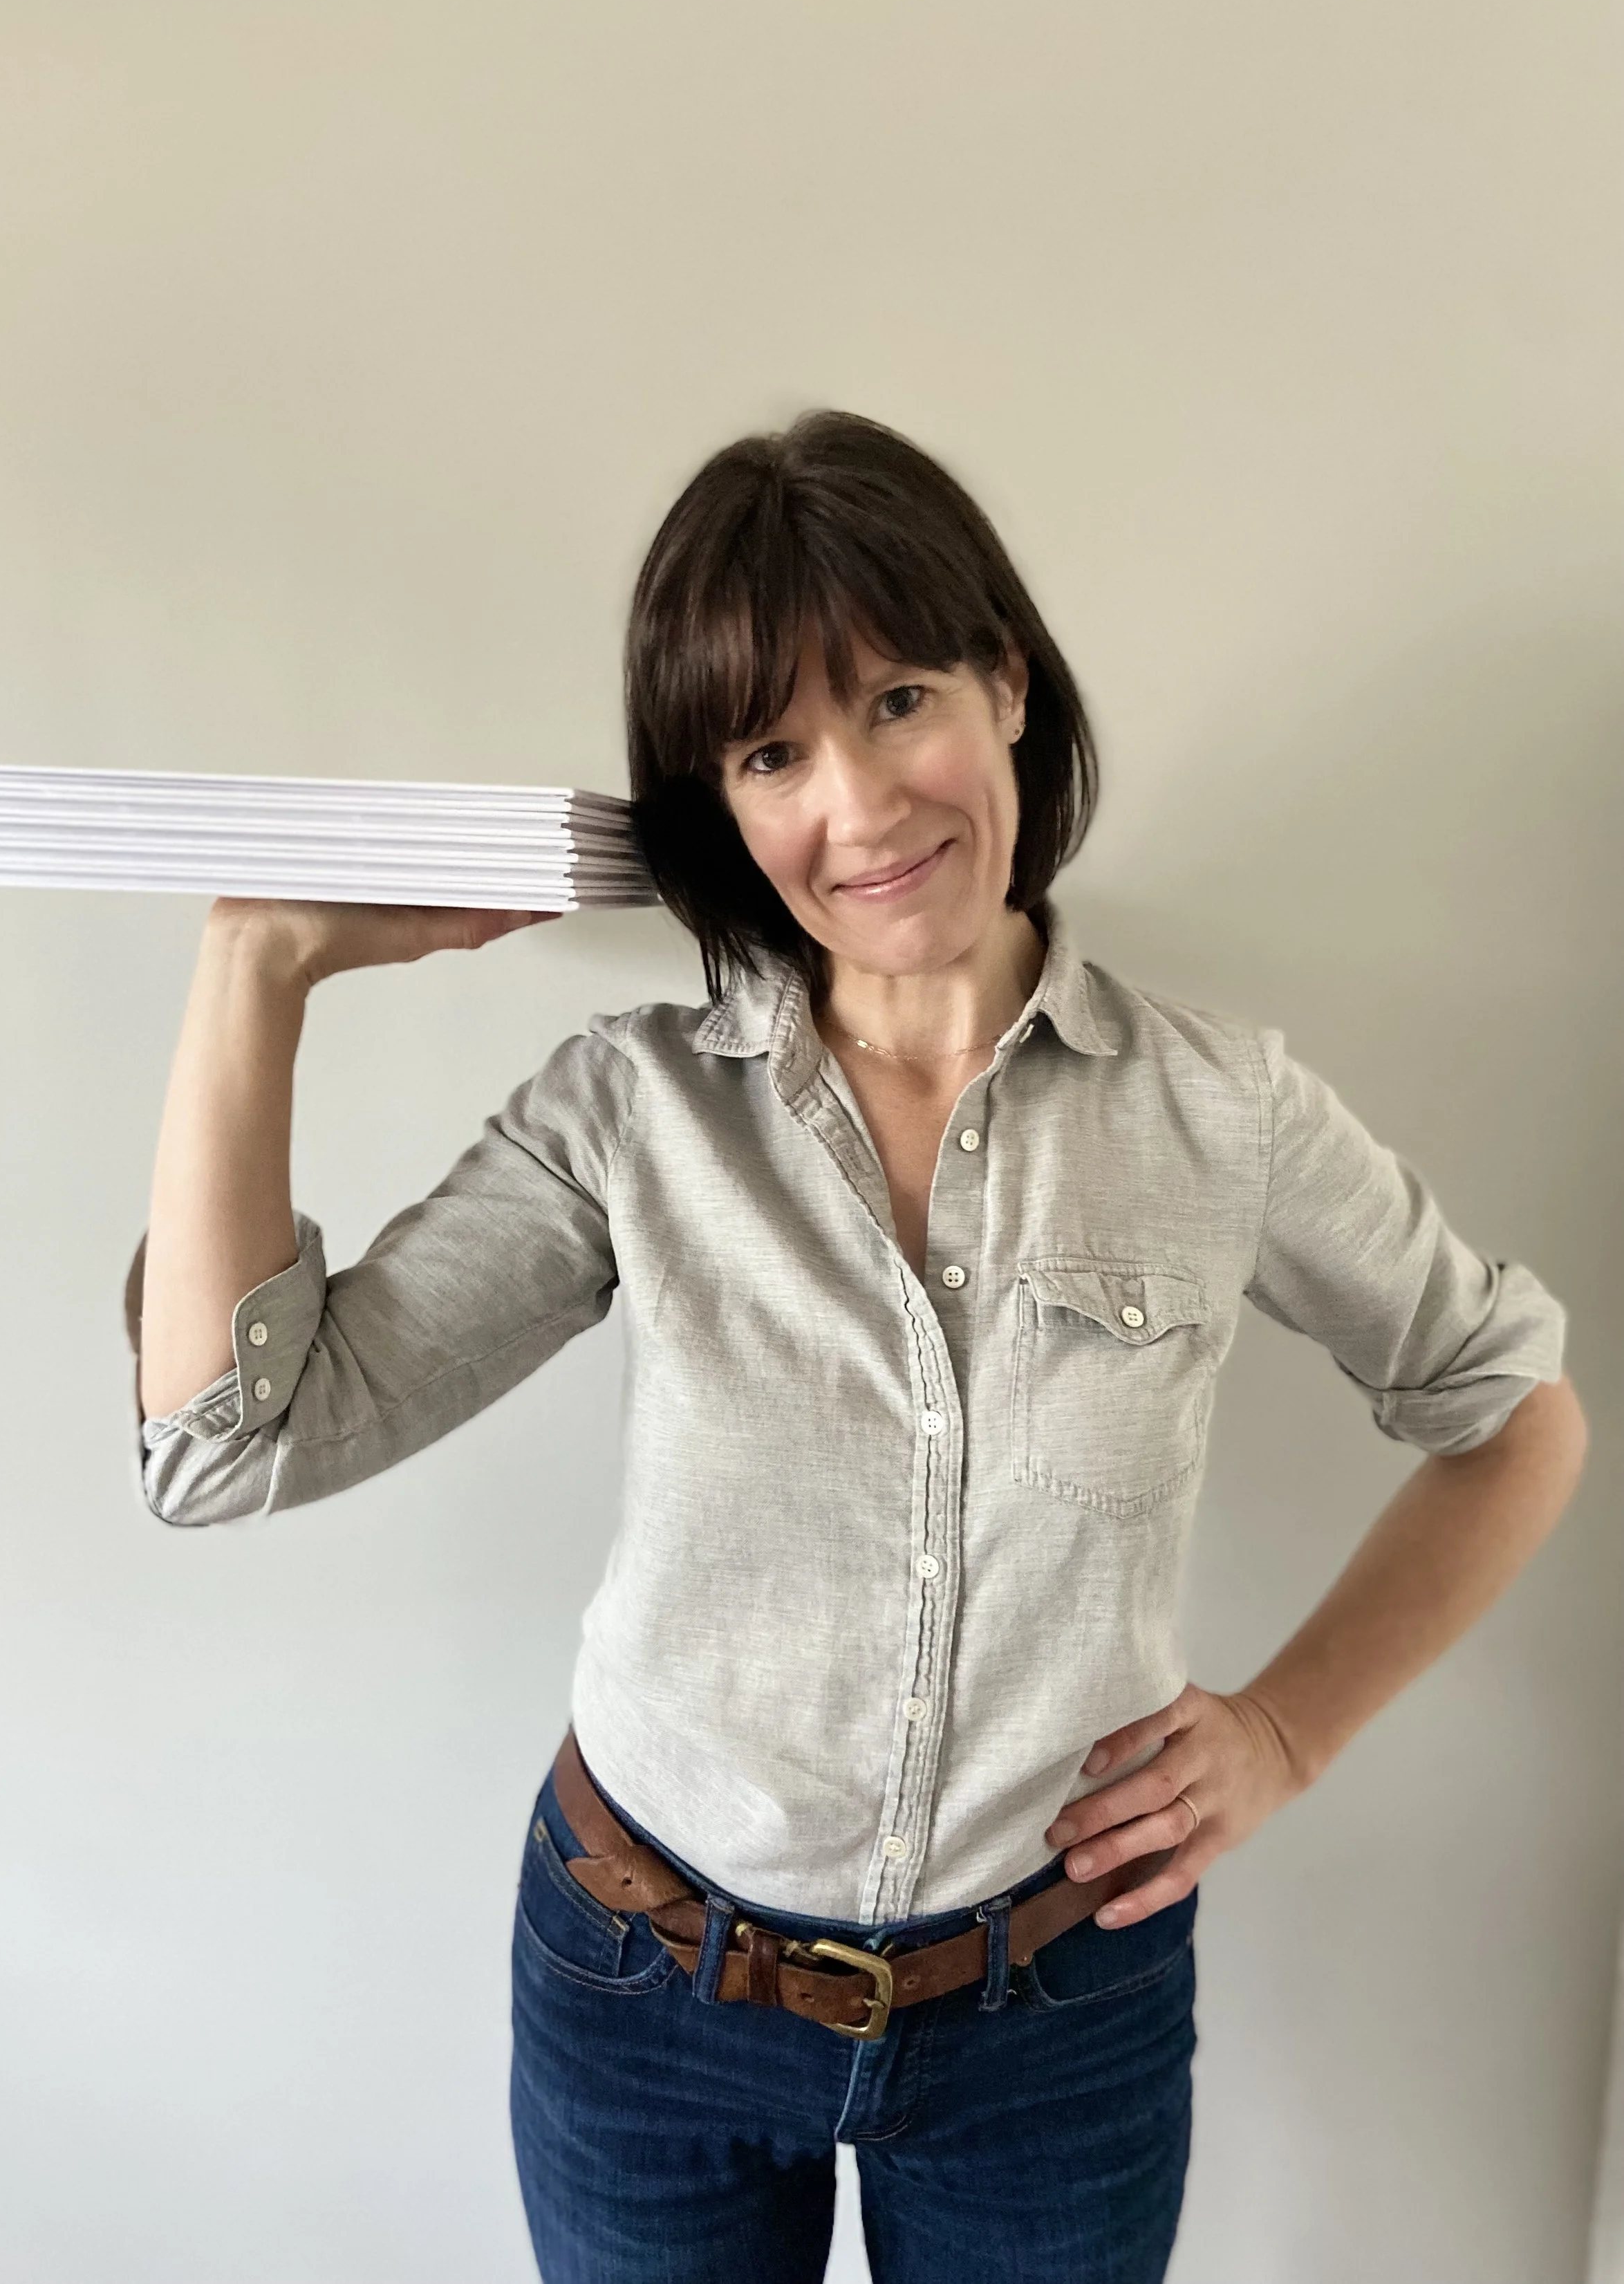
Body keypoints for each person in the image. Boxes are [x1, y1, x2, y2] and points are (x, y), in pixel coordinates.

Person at [125, 410, 1587, 2284]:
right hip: (640, 1982)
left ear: (1003, 685)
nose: (861, 807)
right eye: (771, 751)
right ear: (720, 805)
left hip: (1054, 2020)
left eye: (898, 699)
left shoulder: (1221, 1111)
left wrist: (1285, 1728)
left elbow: (1508, 1414)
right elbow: (225, 1442)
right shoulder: (630, 1116)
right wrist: (258, 968)